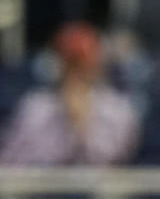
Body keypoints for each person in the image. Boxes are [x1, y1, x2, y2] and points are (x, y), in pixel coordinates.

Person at [0, 22, 140, 165]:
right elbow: (10, 163)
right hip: (45, 185)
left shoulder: (117, 110)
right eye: (71, 63)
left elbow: (119, 162)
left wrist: (81, 127)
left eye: (83, 63)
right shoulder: (36, 108)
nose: (77, 72)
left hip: (98, 186)